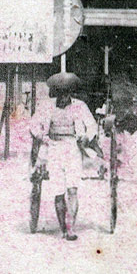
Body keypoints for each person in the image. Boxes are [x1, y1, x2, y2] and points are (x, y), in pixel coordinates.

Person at [28, 72, 99, 240]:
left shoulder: (80, 106)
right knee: (58, 192)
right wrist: (41, 136)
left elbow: (92, 126)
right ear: (55, 93)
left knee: (72, 189)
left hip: (72, 148)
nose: (63, 96)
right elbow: (33, 124)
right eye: (60, 92)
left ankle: (71, 228)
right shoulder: (47, 106)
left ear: (71, 93)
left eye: (66, 92)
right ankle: (63, 228)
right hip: (53, 148)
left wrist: (86, 137)